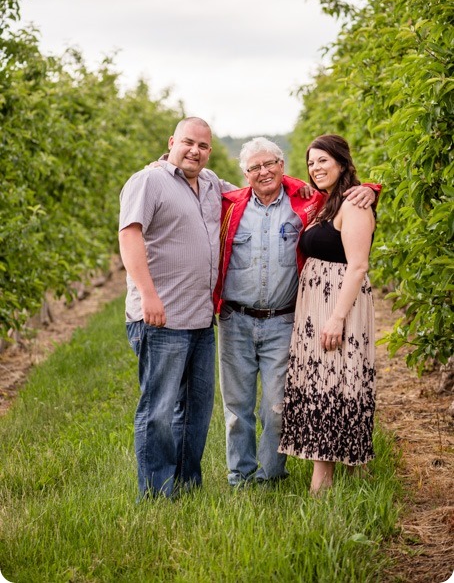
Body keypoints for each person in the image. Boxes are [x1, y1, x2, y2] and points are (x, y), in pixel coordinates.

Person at [213, 137, 379, 487]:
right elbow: (193, 182)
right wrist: (162, 166)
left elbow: (350, 205)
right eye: (255, 167)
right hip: (236, 319)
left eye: (270, 163)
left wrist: (371, 189)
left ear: (283, 167)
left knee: (278, 407)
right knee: (236, 411)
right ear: (244, 174)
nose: (264, 171)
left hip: (284, 318)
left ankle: (272, 476)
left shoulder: (306, 202)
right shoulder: (229, 203)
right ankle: (240, 479)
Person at [118, 116, 235, 499]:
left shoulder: (212, 184)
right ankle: (155, 493)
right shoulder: (148, 180)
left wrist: (356, 188)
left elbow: (262, 190)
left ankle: (186, 486)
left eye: (203, 146)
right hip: (160, 316)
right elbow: (129, 234)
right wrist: (148, 294)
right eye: (188, 142)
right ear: (172, 142)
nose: (195, 151)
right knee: (160, 410)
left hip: (201, 319)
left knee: (196, 412)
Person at [278, 134, 377, 494]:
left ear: (341, 163)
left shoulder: (354, 205)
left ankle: (327, 479)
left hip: (338, 304)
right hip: (316, 304)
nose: (315, 168)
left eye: (323, 160)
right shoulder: (326, 202)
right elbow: (277, 178)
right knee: (326, 382)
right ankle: (354, 472)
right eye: (311, 162)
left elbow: (358, 266)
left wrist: (336, 317)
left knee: (336, 382)